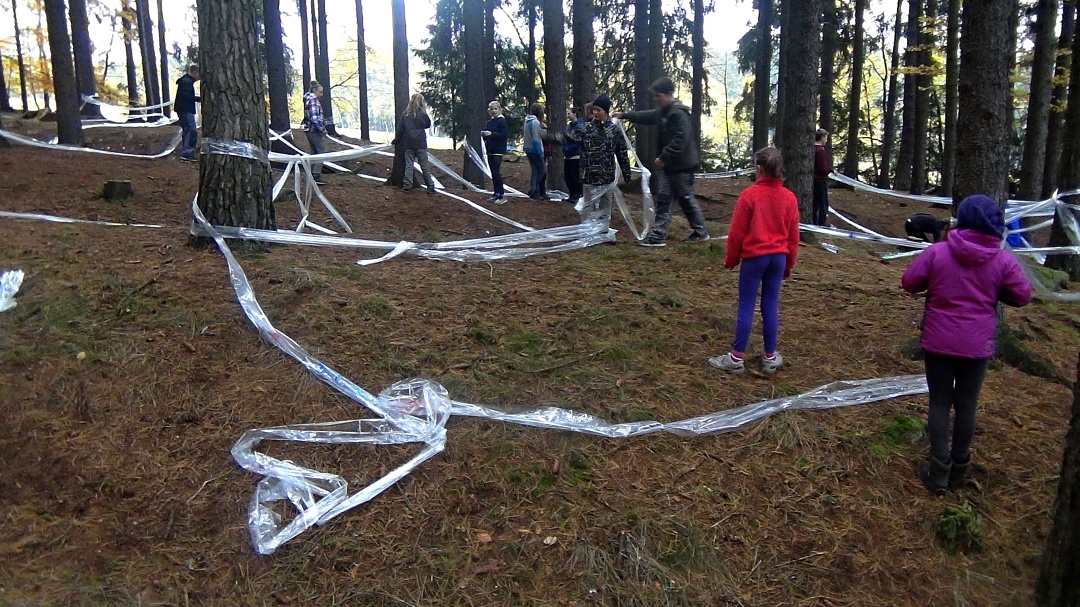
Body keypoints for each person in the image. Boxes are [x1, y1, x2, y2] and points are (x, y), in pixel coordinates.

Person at [901, 195, 1032, 495]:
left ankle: (938, 472)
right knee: (967, 403)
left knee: (939, 402)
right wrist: (997, 292)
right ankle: (960, 467)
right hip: (977, 344)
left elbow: (909, 282)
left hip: (938, 339)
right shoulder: (1002, 260)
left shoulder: (938, 252)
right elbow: (1022, 296)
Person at [708, 147, 800, 375]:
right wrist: (789, 263)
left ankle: (736, 358)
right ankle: (770, 357)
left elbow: (736, 233)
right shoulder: (789, 198)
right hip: (778, 258)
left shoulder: (749, 196)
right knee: (771, 304)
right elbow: (793, 235)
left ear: (759, 169)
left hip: (754, 259)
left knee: (747, 304)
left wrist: (731, 258)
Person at [614, 76, 710, 246]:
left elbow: (680, 139)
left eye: (659, 96)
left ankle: (700, 232)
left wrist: (664, 156)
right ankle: (658, 235)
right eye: (655, 96)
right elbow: (648, 116)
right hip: (669, 167)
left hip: (682, 166)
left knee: (686, 199)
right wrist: (625, 115)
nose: (656, 100)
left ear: (669, 93)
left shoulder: (678, 114)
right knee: (664, 199)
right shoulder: (663, 112)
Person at [565, 93, 632, 226]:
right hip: (589, 175)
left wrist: (627, 174)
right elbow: (570, 138)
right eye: (594, 109)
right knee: (588, 205)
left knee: (605, 207)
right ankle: (586, 231)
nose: (595, 113)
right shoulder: (585, 128)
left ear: (606, 111)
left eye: (598, 110)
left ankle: (603, 231)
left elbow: (622, 153)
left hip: (607, 175)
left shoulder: (614, 130)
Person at [396, 93, 436, 193]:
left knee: (409, 165)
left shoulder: (405, 114)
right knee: (425, 167)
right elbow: (428, 125)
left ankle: (407, 186)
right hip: (421, 144)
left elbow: (400, 129)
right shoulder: (423, 114)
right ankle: (430, 186)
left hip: (409, 144)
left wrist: (396, 140)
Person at [481, 101, 508, 204]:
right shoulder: (489, 122)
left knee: (496, 172)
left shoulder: (502, 121)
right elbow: (485, 133)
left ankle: (502, 194)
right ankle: (496, 193)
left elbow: (503, 135)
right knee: (493, 172)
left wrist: (491, 134)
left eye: (496, 109)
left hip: (498, 150)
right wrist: (484, 134)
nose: (494, 111)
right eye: (492, 109)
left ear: (499, 110)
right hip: (490, 150)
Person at [301, 81, 327, 185]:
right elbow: (314, 117)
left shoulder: (308, 99)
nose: (321, 94)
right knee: (321, 152)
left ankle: (310, 175)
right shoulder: (313, 100)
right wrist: (322, 129)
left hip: (309, 129)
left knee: (314, 152)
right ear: (314, 90)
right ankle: (316, 175)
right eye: (320, 92)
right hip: (314, 130)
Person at [173, 64, 200, 163]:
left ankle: (187, 152)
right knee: (191, 130)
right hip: (185, 109)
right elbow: (187, 96)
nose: (199, 78)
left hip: (183, 109)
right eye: (199, 74)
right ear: (194, 72)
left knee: (187, 130)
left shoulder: (186, 81)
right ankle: (187, 153)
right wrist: (200, 99)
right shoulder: (186, 82)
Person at [523, 103, 548, 200]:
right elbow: (536, 139)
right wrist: (540, 153)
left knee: (535, 170)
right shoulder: (535, 123)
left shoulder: (527, 121)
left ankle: (533, 189)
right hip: (534, 150)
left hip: (527, 149)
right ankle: (534, 189)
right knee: (542, 170)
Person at [563, 107, 585, 204]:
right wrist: (564, 148)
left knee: (574, 176)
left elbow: (578, 141)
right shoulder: (569, 126)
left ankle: (577, 194)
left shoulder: (579, 126)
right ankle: (572, 194)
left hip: (575, 155)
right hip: (567, 155)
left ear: (575, 114)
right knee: (567, 177)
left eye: (569, 113)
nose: (567, 115)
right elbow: (566, 139)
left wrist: (569, 147)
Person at [812, 128, 833, 226]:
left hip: (814, 179)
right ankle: (821, 223)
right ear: (822, 138)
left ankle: (815, 221)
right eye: (826, 138)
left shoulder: (813, 149)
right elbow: (822, 167)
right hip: (820, 180)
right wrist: (830, 170)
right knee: (823, 203)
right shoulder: (820, 150)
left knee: (816, 202)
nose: (826, 140)